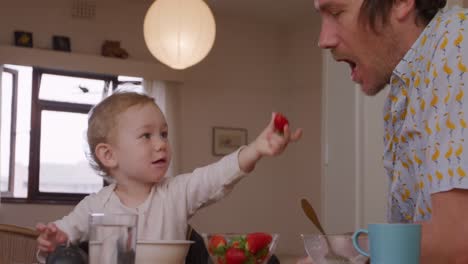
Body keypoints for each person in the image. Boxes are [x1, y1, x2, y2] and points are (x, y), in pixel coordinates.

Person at [35, 91, 302, 261]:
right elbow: (62, 234)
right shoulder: (94, 206)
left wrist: (255, 149)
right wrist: (54, 239)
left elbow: (217, 176)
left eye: (163, 134)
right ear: (109, 155)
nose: (161, 143)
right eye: (146, 136)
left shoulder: (175, 193)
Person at [299, 0, 468, 263]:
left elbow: (458, 241)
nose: (324, 40)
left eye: (336, 13)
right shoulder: (402, 90)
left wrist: (346, 249)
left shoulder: (459, 45)